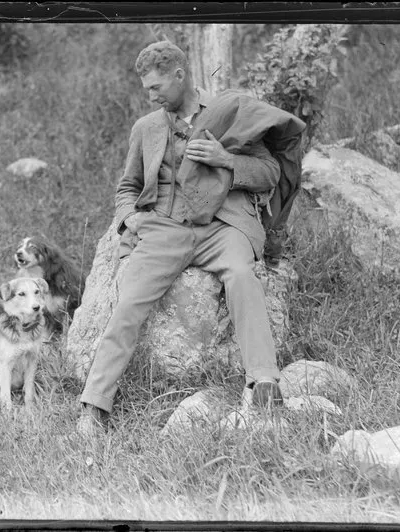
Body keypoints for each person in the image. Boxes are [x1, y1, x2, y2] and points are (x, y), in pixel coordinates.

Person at [77, 41, 296, 436]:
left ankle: (264, 383)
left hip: (221, 226)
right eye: (146, 89)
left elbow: (269, 173)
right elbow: (127, 186)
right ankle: (94, 408)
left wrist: (225, 159)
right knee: (129, 300)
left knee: (242, 276)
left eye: (156, 86)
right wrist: (131, 221)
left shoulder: (230, 117)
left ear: (180, 76)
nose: (150, 95)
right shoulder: (146, 128)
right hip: (164, 228)